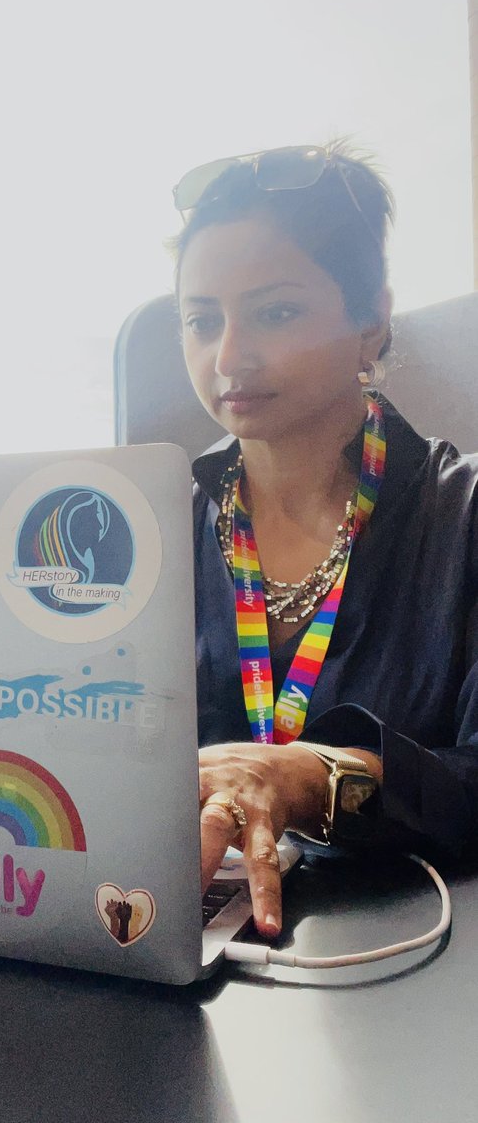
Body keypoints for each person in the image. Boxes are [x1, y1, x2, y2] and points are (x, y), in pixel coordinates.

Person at [168, 143, 478, 938]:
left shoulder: (465, 520)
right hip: (182, 942)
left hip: (413, 962)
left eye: (275, 312)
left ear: (370, 320)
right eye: (202, 321)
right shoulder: (151, 531)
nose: (228, 357)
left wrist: (316, 776)